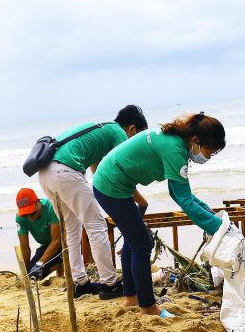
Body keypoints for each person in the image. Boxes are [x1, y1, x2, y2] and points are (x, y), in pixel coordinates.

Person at [93, 113, 225, 317]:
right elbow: (184, 200)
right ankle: (148, 307)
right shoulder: (174, 149)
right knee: (142, 243)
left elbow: (179, 193)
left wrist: (208, 213)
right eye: (210, 152)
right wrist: (219, 229)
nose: (208, 157)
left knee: (134, 239)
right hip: (111, 186)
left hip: (112, 181)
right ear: (196, 140)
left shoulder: (176, 142)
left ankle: (131, 299)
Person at [39, 105, 149, 298]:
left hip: (46, 173)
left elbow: (97, 173)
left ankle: (79, 282)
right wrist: (141, 200)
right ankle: (110, 284)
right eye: (137, 137)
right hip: (66, 172)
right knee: (96, 225)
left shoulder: (102, 130)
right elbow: (121, 174)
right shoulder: (119, 135)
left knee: (72, 229)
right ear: (132, 129)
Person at [16, 188, 63, 280]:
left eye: (32, 213)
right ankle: (56, 264)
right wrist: (25, 273)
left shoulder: (51, 208)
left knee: (39, 267)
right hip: (46, 246)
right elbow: (25, 248)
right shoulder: (20, 218)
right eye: (26, 214)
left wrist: (40, 263)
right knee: (32, 275)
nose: (30, 217)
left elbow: (56, 241)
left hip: (64, 243)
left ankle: (60, 264)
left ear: (38, 203)